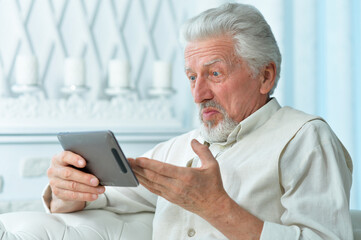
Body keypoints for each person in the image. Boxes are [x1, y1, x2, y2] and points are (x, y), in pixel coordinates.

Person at [45, 3, 353, 240]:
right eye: (192, 77)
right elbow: (99, 197)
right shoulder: (179, 148)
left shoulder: (306, 137)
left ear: (265, 76)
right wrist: (67, 187)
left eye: (215, 73)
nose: (198, 93)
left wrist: (217, 207)